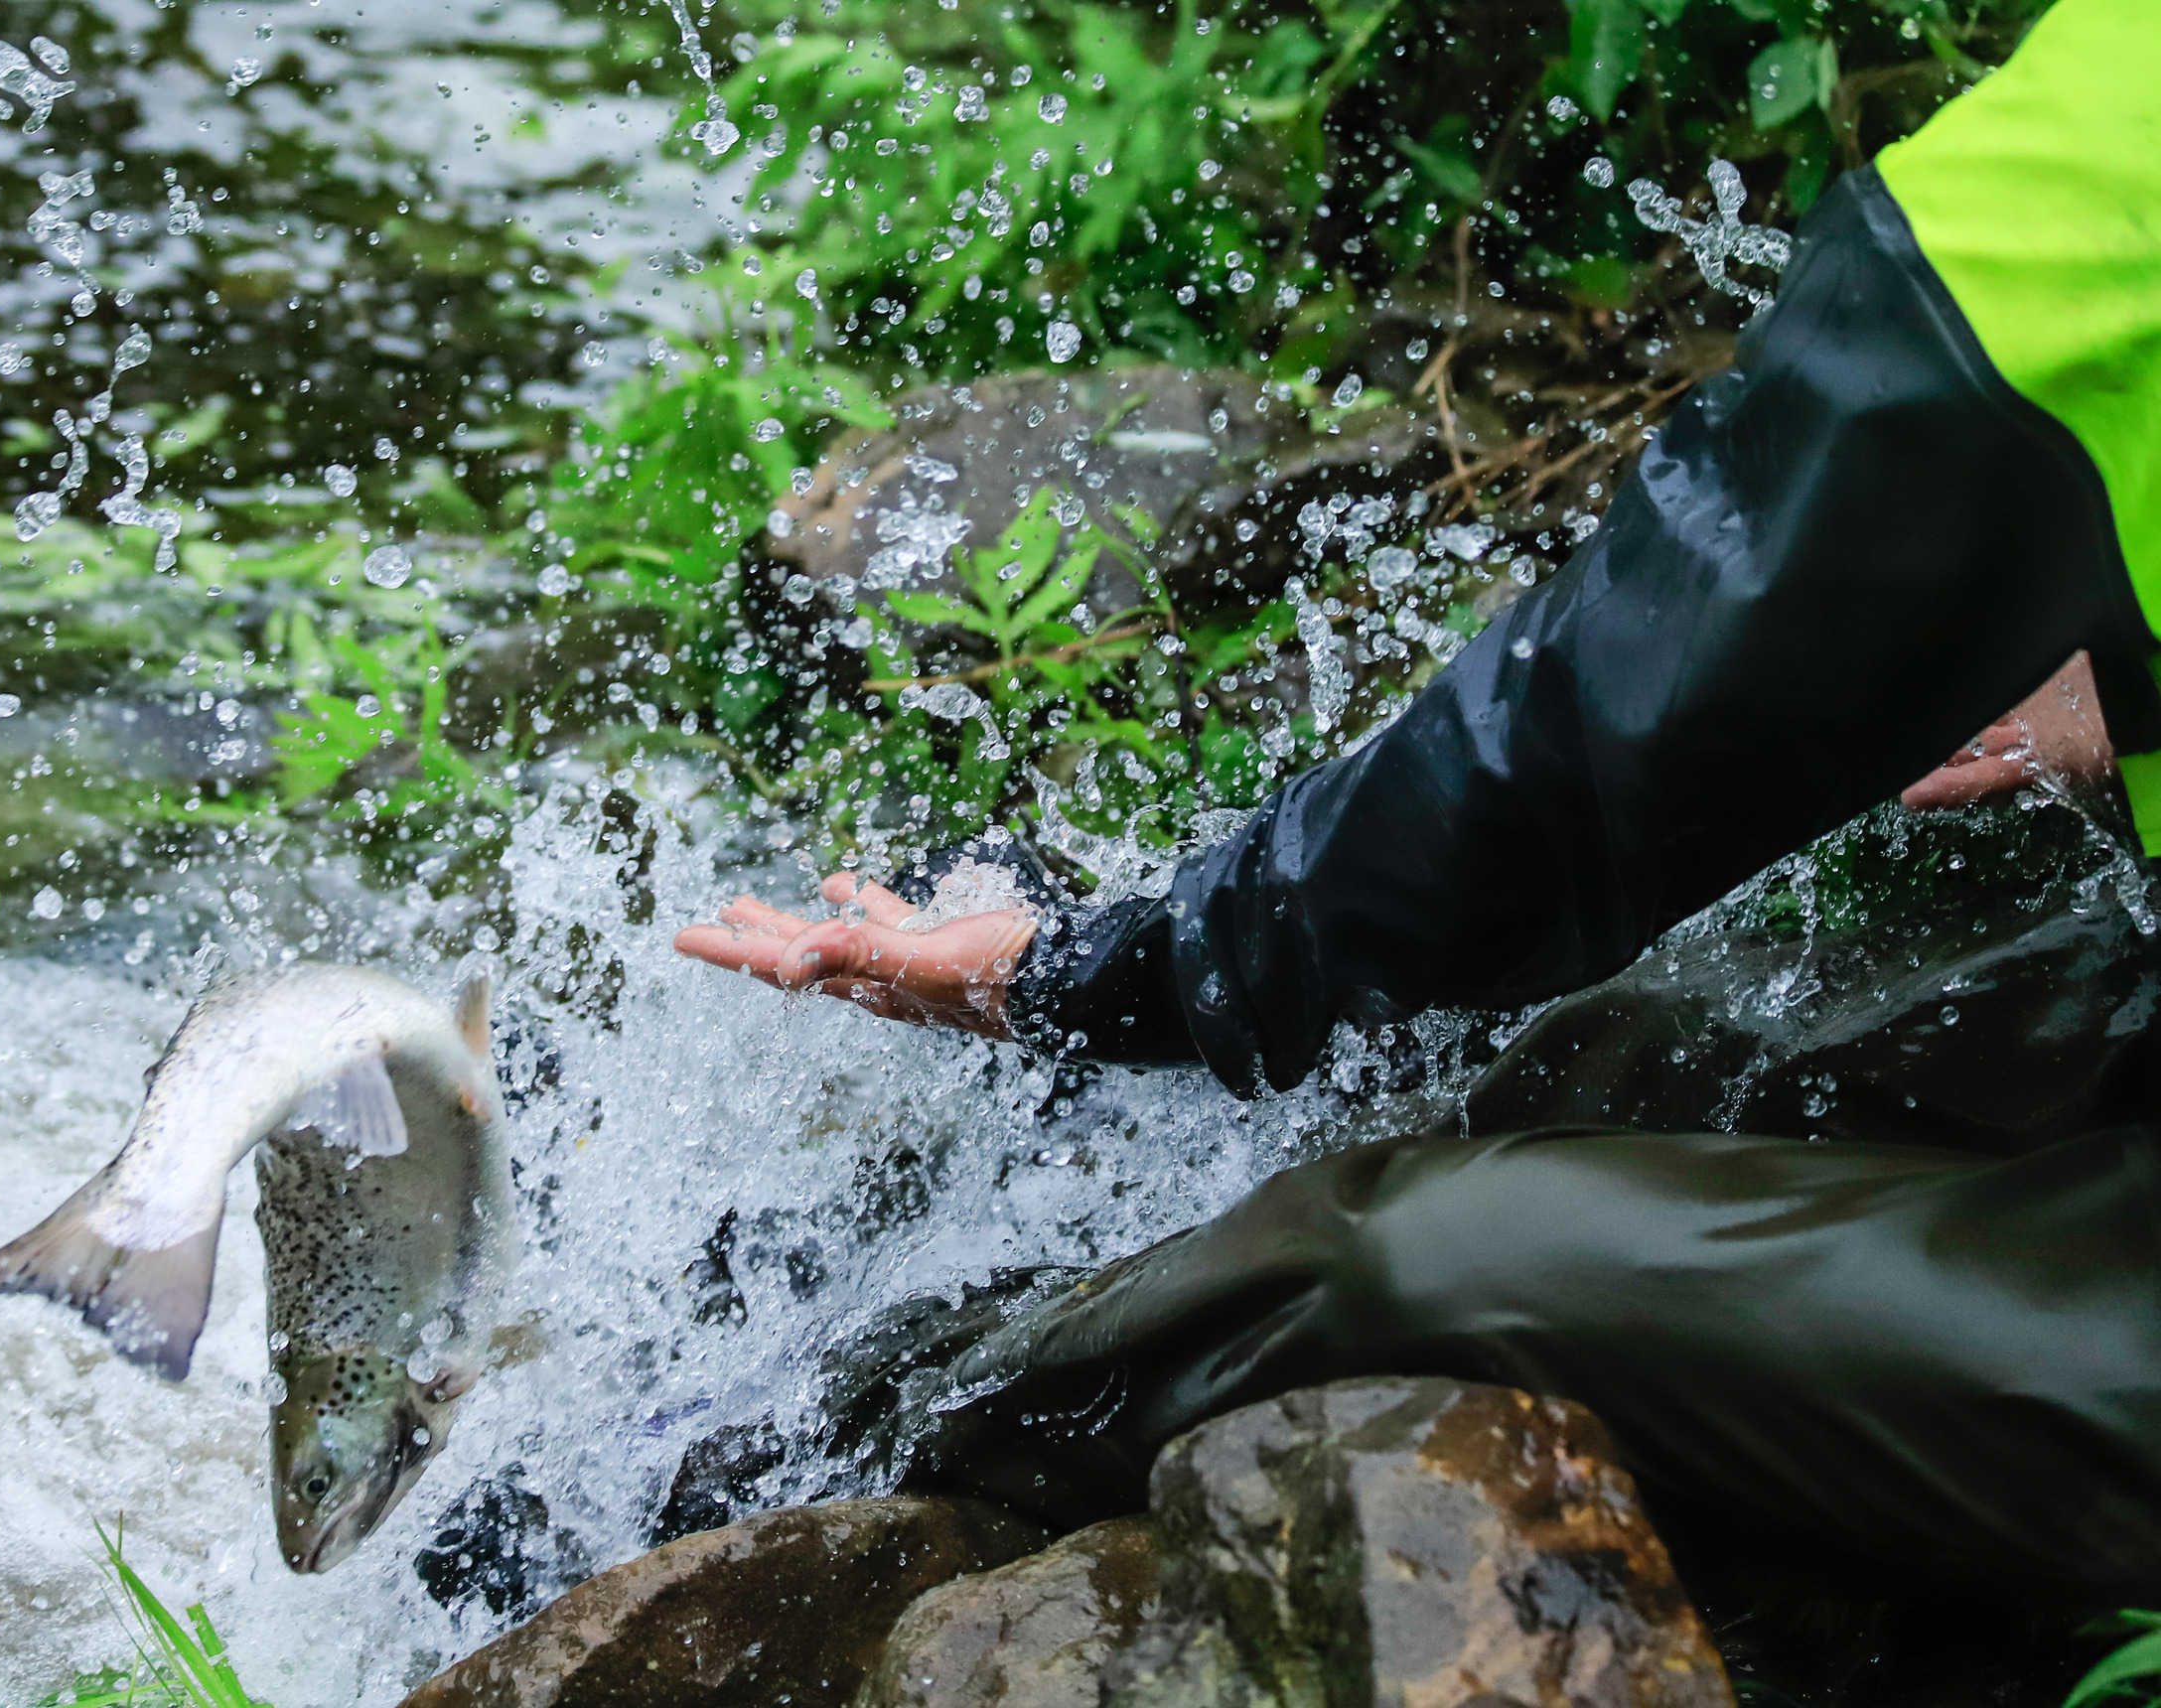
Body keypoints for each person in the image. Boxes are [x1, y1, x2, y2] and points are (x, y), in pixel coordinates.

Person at [677, 0, 2161, 1600]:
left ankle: (748, 1506)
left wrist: (1083, 971)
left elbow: (1580, 748)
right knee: (1674, 1049)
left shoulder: (2102, 173)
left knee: (1373, 1260)